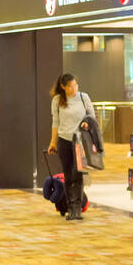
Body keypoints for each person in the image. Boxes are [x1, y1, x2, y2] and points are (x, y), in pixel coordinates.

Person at [47, 73, 95, 222]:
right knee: (68, 174)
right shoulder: (57, 100)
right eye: (70, 86)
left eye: (75, 85)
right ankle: (70, 207)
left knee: (77, 173)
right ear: (63, 87)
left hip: (80, 141)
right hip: (64, 141)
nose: (73, 89)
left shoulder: (83, 97)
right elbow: (55, 123)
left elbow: (92, 116)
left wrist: (87, 123)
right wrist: (53, 142)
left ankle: (77, 207)